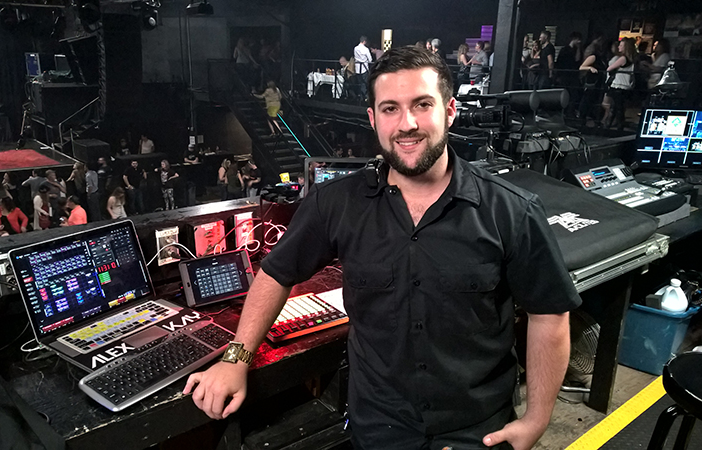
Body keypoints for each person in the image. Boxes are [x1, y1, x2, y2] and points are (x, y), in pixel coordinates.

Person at [183, 46, 579, 450]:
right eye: (390, 109)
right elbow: (275, 273)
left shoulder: (512, 210)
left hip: (480, 430)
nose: (407, 124)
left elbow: (549, 315)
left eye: (422, 105)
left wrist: (537, 418)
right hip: (378, 429)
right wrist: (236, 358)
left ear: (451, 110)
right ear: (373, 119)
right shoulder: (335, 204)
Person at [606, 38, 636, 130]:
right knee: (618, 108)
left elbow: (609, 68)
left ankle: (609, 127)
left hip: (618, 86)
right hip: (626, 86)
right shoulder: (632, 58)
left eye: (621, 45)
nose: (619, 47)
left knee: (615, 108)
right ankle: (613, 126)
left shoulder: (623, 58)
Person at [354, 36, 372, 100]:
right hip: (364, 68)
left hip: (357, 68)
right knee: (366, 82)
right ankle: (366, 96)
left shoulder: (355, 48)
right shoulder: (366, 49)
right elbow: (370, 59)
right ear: (364, 41)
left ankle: (361, 97)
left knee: (360, 83)